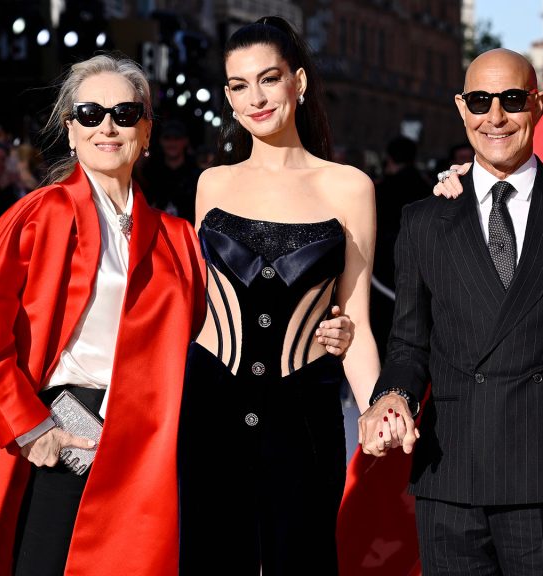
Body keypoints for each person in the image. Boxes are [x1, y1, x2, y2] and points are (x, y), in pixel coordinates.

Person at [0, 54, 208, 576]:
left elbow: (205, 337)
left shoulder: (178, 237)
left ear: (146, 130)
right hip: (64, 433)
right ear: (70, 131)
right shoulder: (43, 213)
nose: (107, 126)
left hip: (146, 447)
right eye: (89, 113)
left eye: (125, 114)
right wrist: (30, 426)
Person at [359, 48, 543, 575]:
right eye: (480, 100)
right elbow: (410, 344)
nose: (495, 116)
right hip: (451, 473)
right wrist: (392, 395)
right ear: (461, 108)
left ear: (538, 103)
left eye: (511, 99)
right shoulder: (425, 221)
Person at [177, 16, 377, 575]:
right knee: (212, 558)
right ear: (228, 97)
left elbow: (355, 316)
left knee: (303, 557)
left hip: (303, 410)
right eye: (240, 85)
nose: (256, 98)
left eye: (269, 79)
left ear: (300, 82)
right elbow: (201, 304)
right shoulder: (211, 183)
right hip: (211, 403)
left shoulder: (350, 186)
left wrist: (375, 408)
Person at [370, 135, 432, 359]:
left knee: (384, 325)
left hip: (384, 267)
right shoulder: (427, 186)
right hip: (418, 263)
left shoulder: (382, 188)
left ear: (389, 158)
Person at [139, 118, 202, 223]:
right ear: (160, 141)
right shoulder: (150, 173)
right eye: (167, 138)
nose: (172, 143)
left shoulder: (196, 175)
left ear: (185, 141)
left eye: (177, 138)